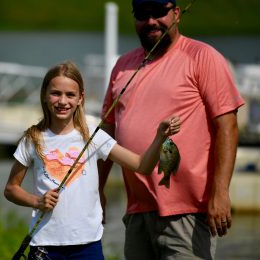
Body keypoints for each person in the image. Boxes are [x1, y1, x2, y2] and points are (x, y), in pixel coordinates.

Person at [98, 0, 245, 259]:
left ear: (176, 14)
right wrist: (96, 190)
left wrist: (220, 192)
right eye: (143, 15)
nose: (151, 21)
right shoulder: (122, 65)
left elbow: (227, 126)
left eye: (159, 13)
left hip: (189, 211)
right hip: (137, 212)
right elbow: (106, 135)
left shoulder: (202, 56)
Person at [4, 61, 180, 260]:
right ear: (45, 95)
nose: (63, 101)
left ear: (80, 98)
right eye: (56, 93)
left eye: (70, 95)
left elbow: (142, 165)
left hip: (88, 245)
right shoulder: (32, 138)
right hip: (45, 245)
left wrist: (159, 137)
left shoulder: (94, 136)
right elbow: (11, 189)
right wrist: (37, 200)